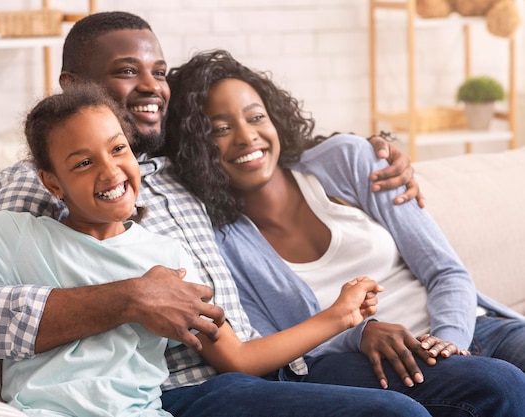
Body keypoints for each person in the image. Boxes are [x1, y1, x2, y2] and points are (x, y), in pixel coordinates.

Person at [0, 11, 442, 417]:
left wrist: (376, 150)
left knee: (493, 386)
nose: (152, 85)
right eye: (128, 71)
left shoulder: (182, 165)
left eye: (159, 71)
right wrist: (127, 298)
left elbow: (269, 151)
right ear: (73, 84)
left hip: (281, 364)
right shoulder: (34, 185)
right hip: (189, 391)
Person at [162, 47, 525, 406]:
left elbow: (446, 271)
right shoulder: (221, 242)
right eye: (221, 129)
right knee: (497, 384)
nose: (246, 137)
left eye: (256, 117)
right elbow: (272, 345)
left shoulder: (346, 160)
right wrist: (360, 334)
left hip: (466, 326)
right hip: (376, 363)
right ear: (196, 146)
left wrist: (448, 343)